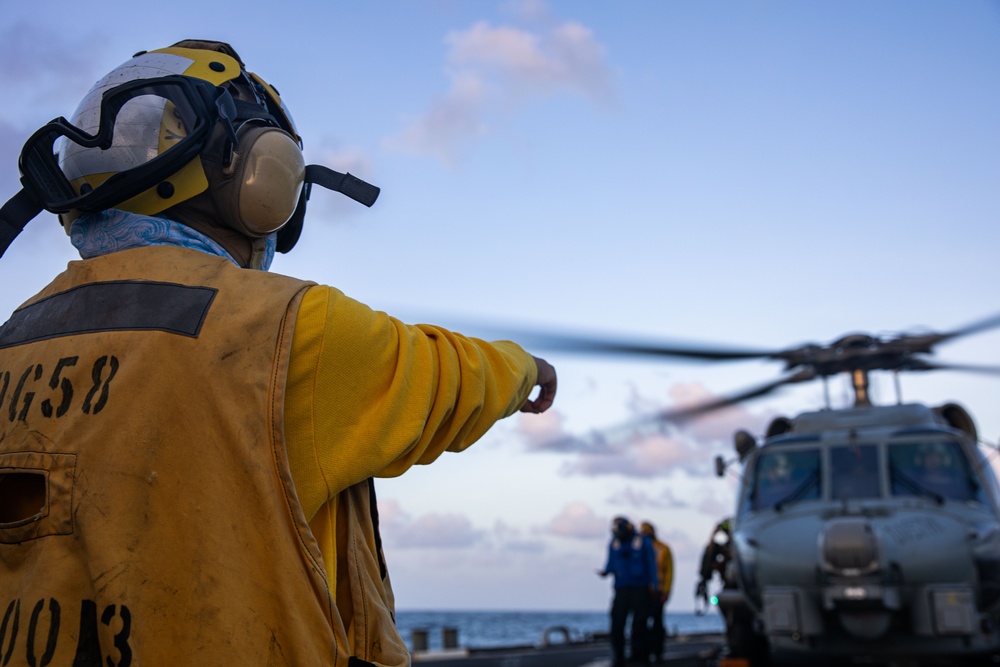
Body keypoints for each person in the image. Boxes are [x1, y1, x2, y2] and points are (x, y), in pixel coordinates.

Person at [0, 40, 557, 666]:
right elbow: (450, 378)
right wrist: (526, 368)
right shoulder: (287, 330)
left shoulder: (14, 337)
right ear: (265, 178)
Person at [598, 517, 658, 666]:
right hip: (621, 589)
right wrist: (605, 572)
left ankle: (640, 656)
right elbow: (611, 563)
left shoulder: (642, 542)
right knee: (617, 623)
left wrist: (654, 586)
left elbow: (651, 564)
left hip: (640, 588)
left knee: (639, 624)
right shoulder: (614, 543)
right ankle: (619, 656)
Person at [640, 521, 674, 663]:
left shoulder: (663, 548)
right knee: (641, 623)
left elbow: (669, 572)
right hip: (643, 591)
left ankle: (658, 652)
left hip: (658, 592)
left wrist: (666, 591)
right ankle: (643, 652)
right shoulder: (639, 548)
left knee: (657, 623)